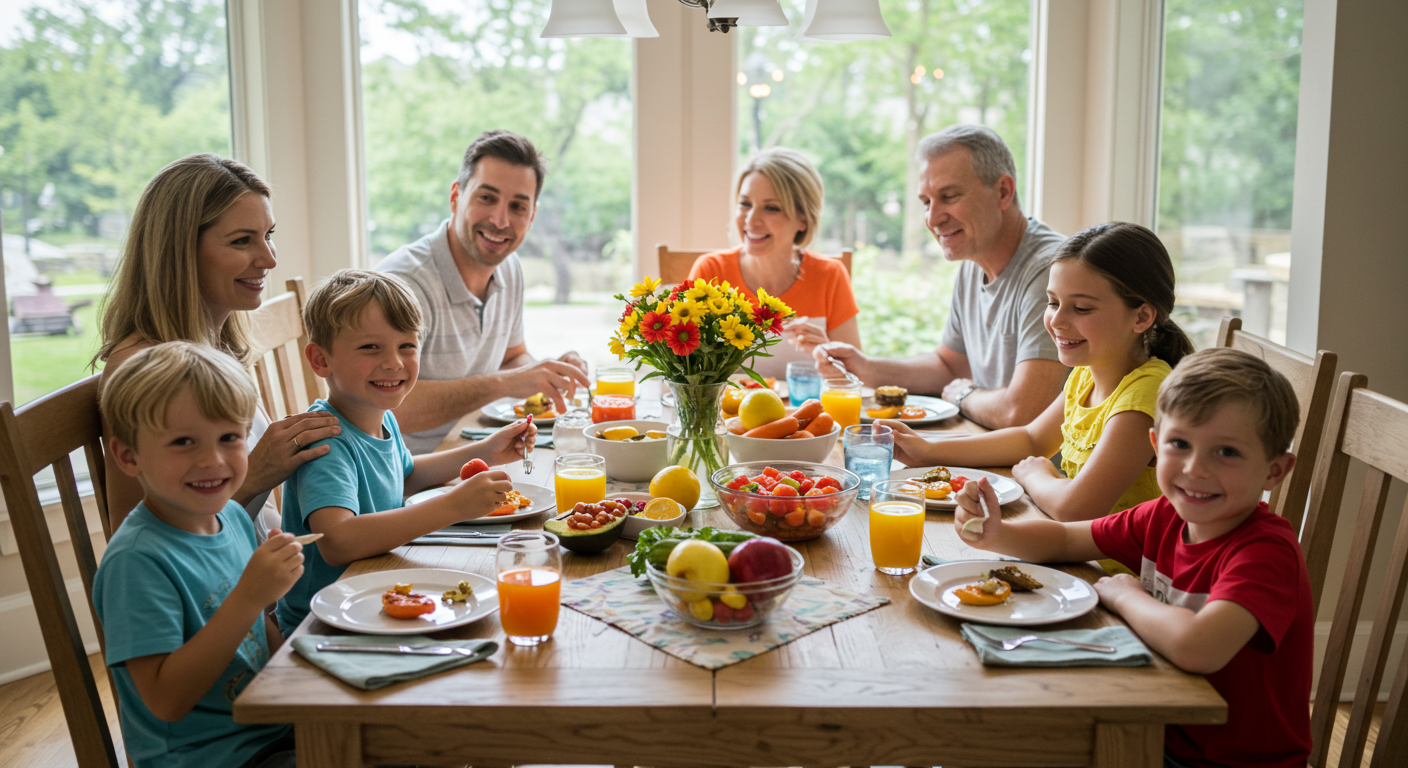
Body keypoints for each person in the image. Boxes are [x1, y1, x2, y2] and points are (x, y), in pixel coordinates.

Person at [954, 347, 1312, 768]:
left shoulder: (1265, 552)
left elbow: (1198, 647)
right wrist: (1000, 533)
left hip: (1230, 759)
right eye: (1180, 444)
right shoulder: (1164, 515)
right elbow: (1067, 541)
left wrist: (1126, 596)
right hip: (1156, 727)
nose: (1195, 469)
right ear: (1155, 444)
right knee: (992, 730)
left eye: (1227, 452)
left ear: (1275, 471)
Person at [887, 223, 1193, 531]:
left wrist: (1036, 476)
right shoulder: (1086, 374)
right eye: (1053, 302)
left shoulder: (1146, 394)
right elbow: (1032, 439)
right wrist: (926, 450)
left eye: (1082, 308)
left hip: (1112, 572)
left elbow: (1074, 508)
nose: (1057, 320)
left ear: (1141, 317)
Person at [275, 270, 533, 634]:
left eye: (406, 346)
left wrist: (486, 450)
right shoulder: (325, 438)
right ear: (321, 360)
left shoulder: (379, 417)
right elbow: (336, 540)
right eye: (370, 347)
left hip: (375, 593)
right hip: (324, 624)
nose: (394, 362)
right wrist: (453, 506)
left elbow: (405, 476)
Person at [95, 154, 341, 535]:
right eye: (242, 241)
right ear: (178, 251)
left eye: (269, 235)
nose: (269, 259)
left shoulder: (218, 344)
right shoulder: (140, 366)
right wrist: (258, 473)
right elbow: (139, 538)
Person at [93, 342, 303, 768]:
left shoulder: (234, 519)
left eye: (230, 437)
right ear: (128, 456)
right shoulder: (136, 563)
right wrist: (249, 596)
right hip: (211, 756)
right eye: (184, 442)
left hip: (272, 725)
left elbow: (262, 634)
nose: (212, 459)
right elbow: (166, 700)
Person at [813, 125, 1068, 428]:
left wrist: (963, 395)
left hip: (1046, 472)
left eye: (949, 196)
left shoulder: (1052, 271)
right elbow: (950, 366)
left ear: (1003, 191)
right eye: (926, 202)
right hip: (993, 453)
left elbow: (1021, 413)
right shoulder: (974, 261)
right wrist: (866, 367)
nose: (933, 219)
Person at [378, 130, 590, 454]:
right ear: (455, 197)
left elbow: (511, 357)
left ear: (531, 217)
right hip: (409, 479)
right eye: (486, 198)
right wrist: (505, 384)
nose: (499, 220)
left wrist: (544, 374)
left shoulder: (509, 266)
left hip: (477, 453)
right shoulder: (405, 283)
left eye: (518, 206)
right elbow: (388, 407)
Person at [687, 147, 861, 379]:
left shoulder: (830, 275)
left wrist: (829, 355)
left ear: (803, 219)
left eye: (771, 208)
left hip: (805, 414)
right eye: (745, 204)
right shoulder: (710, 271)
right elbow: (685, 376)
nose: (751, 220)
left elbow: (855, 381)